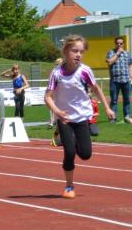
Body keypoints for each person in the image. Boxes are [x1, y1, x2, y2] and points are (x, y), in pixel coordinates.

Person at [45, 35, 114, 199]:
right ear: (65, 51)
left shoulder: (85, 71)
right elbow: (47, 97)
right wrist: (57, 112)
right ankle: (69, 186)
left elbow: (96, 89)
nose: (78, 55)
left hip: (82, 117)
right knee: (69, 152)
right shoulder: (56, 73)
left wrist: (107, 108)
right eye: (75, 51)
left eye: (81, 52)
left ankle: (75, 141)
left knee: (85, 154)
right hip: (65, 119)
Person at [105, 36, 132, 121]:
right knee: (114, 100)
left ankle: (127, 117)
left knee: (127, 100)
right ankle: (113, 118)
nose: (119, 45)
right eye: (117, 43)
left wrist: (131, 74)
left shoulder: (127, 53)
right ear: (115, 44)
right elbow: (110, 62)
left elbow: (131, 63)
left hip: (126, 80)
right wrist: (117, 53)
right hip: (115, 80)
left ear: (123, 44)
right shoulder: (110, 52)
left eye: (121, 43)